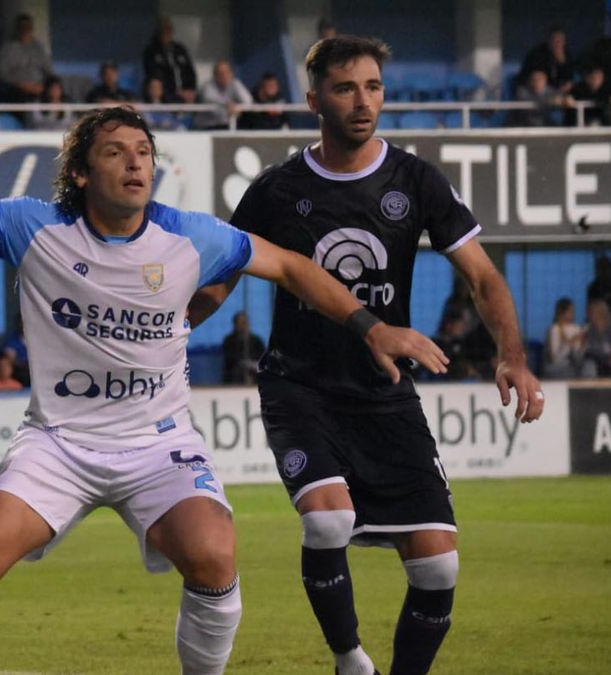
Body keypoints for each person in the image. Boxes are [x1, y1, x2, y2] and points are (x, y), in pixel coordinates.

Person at [0, 105, 449, 674]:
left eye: (144, 153)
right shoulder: (32, 226)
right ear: (80, 174)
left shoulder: (190, 237)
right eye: (115, 152)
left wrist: (373, 327)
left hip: (159, 446)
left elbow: (290, 265)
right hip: (59, 442)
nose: (134, 163)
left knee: (214, 554)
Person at [198, 35, 543, 675]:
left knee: (439, 563)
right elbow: (221, 279)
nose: (364, 102)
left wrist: (512, 355)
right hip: (299, 388)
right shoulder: (276, 189)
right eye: (346, 88)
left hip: (384, 393)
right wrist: (165, 328)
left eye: (374, 87)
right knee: (329, 525)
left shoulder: (416, 180)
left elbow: (484, 277)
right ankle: (349, 659)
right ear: (313, 100)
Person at [0, 13, 53, 103]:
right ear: (17, 28)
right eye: (22, 26)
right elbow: (2, 74)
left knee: (54, 92)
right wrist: (23, 85)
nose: (25, 29)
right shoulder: (6, 48)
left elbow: (49, 71)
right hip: (17, 88)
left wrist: (43, 86)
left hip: (39, 88)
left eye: (28, 26)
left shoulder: (39, 48)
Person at [142, 16, 196, 103]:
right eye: (164, 30)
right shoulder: (151, 50)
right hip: (166, 95)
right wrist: (173, 92)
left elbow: (190, 72)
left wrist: (190, 90)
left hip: (185, 94)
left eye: (169, 30)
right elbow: (153, 75)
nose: (167, 33)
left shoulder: (180, 49)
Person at [194, 61, 252, 130]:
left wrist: (239, 108)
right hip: (206, 126)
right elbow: (209, 100)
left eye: (227, 72)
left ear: (232, 74)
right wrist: (227, 105)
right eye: (220, 73)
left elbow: (248, 100)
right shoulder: (208, 86)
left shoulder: (235, 83)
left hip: (226, 125)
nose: (224, 75)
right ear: (215, 75)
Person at [519, 26, 575, 94]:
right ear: (549, 40)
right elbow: (535, 79)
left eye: (561, 40)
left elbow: (569, 78)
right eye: (555, 40)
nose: (558, 43)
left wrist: (562, 63)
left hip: (555, 91)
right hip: (530, 90)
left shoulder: (566, 55)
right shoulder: (537, 53)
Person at [543, 297, 585, 379]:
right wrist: (570, 342)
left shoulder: (577, 328)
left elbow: (578, 356)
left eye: (574, 310)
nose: (574, 313)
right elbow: (555, 358)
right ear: (562, 312)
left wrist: (583, 344)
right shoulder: (555, 329)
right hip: (558, 366)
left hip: (574, 364)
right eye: (571, 311)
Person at [221, 311, 264, 385]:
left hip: (254, 368)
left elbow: (262, 356)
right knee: (238, 372)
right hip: (236, 370)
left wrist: (252, 362)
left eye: (245, 322)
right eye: (241, 323)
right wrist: (243, 362)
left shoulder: (256, 340)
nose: (244, 325)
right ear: (235, 324)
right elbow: (230, 357)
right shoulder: (229, 340)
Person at [581, 297, 611, 377]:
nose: (588, 314)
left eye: (591, 311)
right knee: (589, 364)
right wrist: (609, 355)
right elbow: (592, 348)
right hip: (596, 359)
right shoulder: (590, 329)